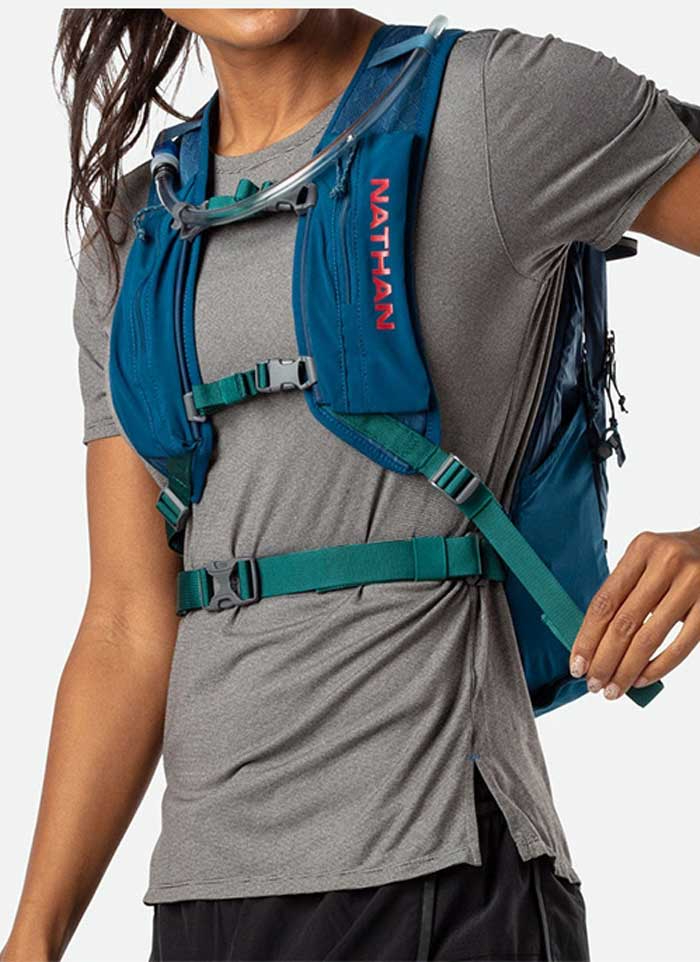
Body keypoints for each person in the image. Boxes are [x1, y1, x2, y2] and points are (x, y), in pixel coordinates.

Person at [3, 8, 700, 962]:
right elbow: (127, 623)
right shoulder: (134, 239)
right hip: (204, 894)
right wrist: (31, 939)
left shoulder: (498, 102)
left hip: (451, 869)